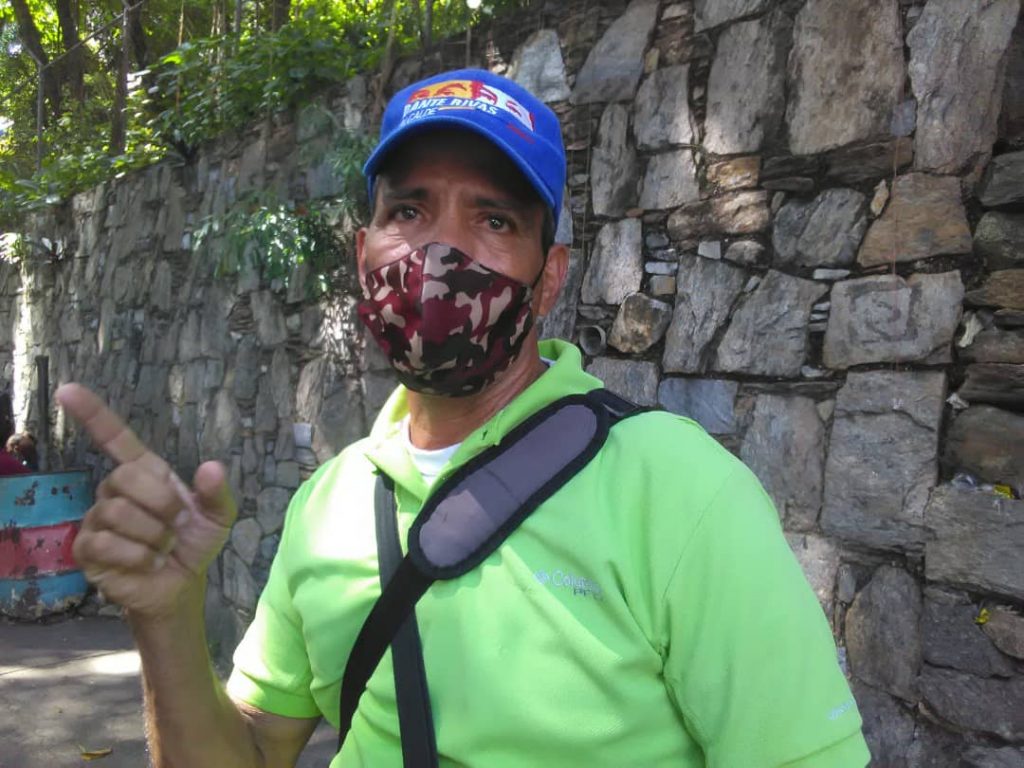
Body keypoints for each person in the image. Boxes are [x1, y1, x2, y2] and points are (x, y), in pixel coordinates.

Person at [57, 69, 870, 767]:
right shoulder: (328, 504)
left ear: (549, 279)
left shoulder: (681, 492)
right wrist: (167, 618)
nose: (439, 252)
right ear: (363, 254)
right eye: (409, 212)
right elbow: (252, 752)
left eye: (494, 220)